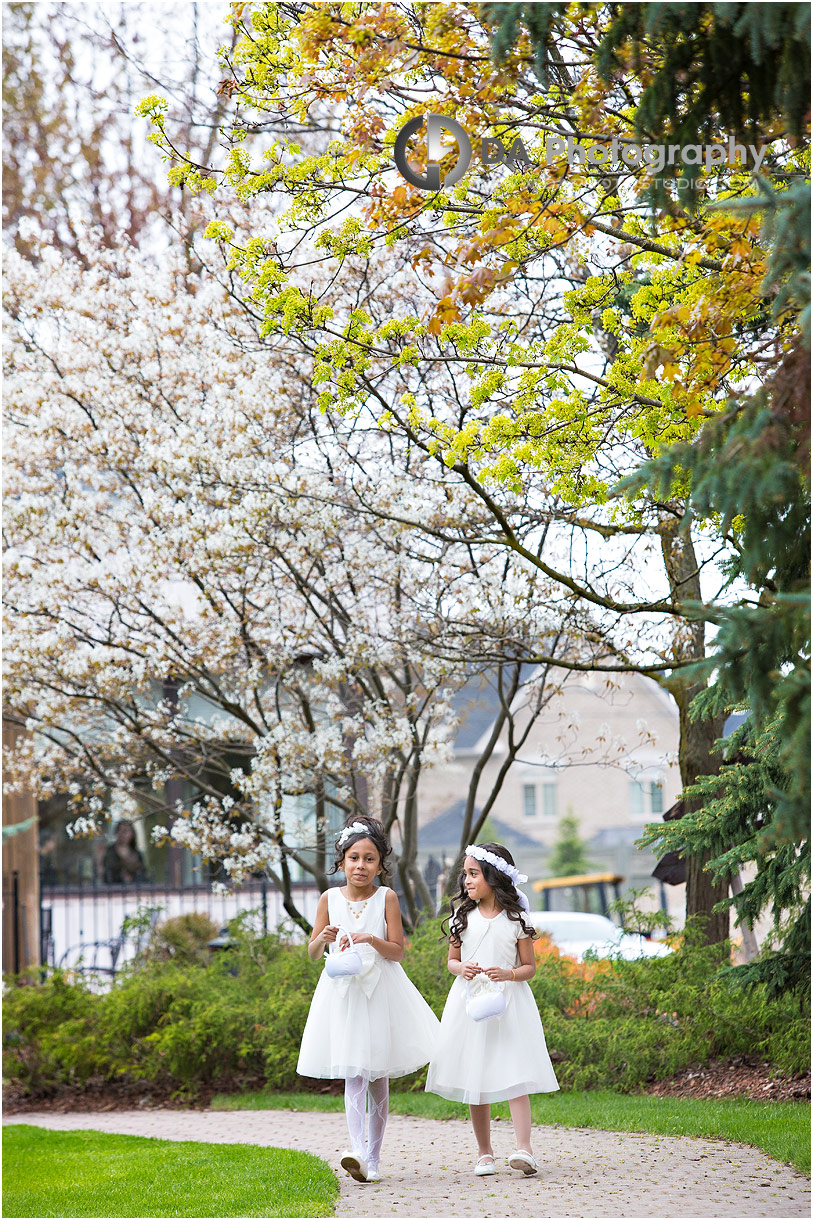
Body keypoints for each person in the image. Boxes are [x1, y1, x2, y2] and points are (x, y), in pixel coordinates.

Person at [297, 817, 440, 1183]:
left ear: (380, 865)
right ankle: (355, 1150)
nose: (361, 866)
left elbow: (398, 952)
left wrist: (371, 940)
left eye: (369, 859)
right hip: (343, 994)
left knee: (376, 1076)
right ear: (342, 862)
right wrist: (323, 938)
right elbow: (313, 953)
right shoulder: (329, 898)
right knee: (353, 1072)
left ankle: (373, 1158)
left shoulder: (386, 898)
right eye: (354, 858)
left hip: (380, 992)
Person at [425, 842, 559, 1177]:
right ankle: (485, 1152)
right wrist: (462, 968)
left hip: (509, 1002)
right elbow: (452, 961)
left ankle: (525, 1149)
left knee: (515, 1073)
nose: (467, 881)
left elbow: (529, 967)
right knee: (476, 1074)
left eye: (473, 874)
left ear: (493, 877)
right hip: (470, 1001)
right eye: (465, 874)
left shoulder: (516, 919)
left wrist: (508, 973)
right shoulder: (462, 917)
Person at [102, 819, 146, 884]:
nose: (124, 834)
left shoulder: (136, 853)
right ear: (116, 832)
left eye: (127, 831)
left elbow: (142, 871)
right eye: (121, 830)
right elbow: (107, 870)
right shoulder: (110, 851)